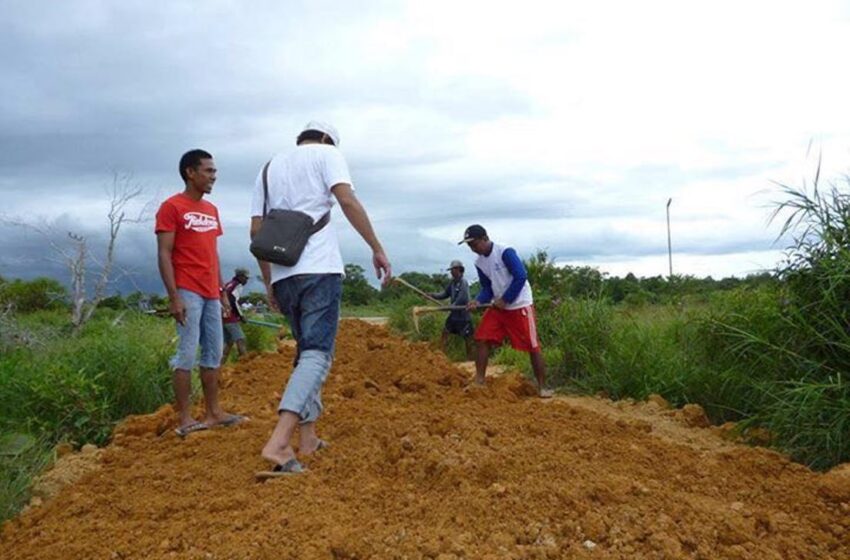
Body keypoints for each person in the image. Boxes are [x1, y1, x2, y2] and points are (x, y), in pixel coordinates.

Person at [252, 121, 391, 477]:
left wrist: (269, 283)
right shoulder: (328, 154)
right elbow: (346, 199)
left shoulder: (268, 168)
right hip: (318, 270)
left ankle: (308, 438)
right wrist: (376, 248)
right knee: (317, 355)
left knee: (304, 355)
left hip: (284, 274)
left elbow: (257, 232)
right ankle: (280, 442)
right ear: (328, 140)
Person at [155, 149, 247, 437]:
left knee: (214, 353)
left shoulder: (212, 210)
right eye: (208, 171)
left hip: (210, 292)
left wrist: (221, 292)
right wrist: (174, 296)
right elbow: (164, 253)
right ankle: (184, 419)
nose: (213, 177)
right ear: (190, 173)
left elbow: (212, 254)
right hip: (187, 289)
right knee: (186, 354)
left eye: (214, 172)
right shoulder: (172, 207)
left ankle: (213, 412)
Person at [461, 224, 554, 398]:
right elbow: (487, 287)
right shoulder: (479, 262)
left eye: (473, 244)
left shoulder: (505, 252)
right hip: (498, 308)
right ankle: (479, 381)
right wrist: (478, 300)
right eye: (469, 245)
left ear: (484, 239)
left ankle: (542, 387)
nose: (472, 248)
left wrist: (506, 299)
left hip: (519, 304)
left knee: (533, 347)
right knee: (481, 338)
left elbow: (521, 276)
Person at [429, 260, 474, 359]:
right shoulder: (452, 283)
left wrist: (451, 306)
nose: (451, 272)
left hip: (463, 315)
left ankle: (470, 359)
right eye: (451, 270)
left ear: (459, 270)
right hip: (454, 315)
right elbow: (444, 294)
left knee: (467, 339)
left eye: (453, 270)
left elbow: (462, 298)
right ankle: (440, 355)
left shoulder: (463, 282)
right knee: (445, 332)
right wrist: (433, 295)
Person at [220, 267, 250, 365]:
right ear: (240, 277)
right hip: (230, 317)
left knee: (229, 343)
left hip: (223, 317)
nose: (247, 280)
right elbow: (233, 301)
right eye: (246, 278)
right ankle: (246, 365)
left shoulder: (229, 284)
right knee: (241, 339)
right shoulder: (237, 285)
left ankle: (220, 366)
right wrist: (241, 316)